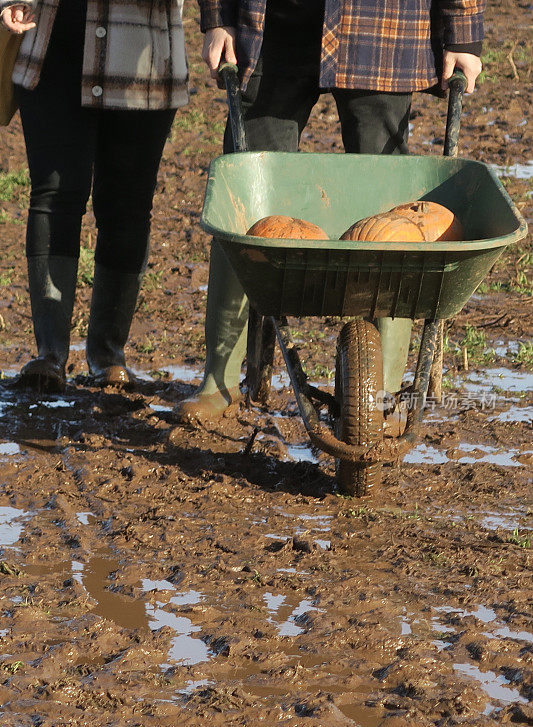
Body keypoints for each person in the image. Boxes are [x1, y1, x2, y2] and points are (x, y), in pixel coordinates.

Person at [174, 0, 483, 421]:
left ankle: (382, 394)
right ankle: (222, 380)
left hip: (381, 26)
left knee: (391, 217)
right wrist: (218, 16)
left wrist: (462, 30)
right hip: (269, 27)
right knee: (243, 202)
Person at [0, 0, 188, 391]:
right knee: (53, 195)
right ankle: (49, 355)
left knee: (127, 206)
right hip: (52, 44)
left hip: (140, 50)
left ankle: (107, 356)